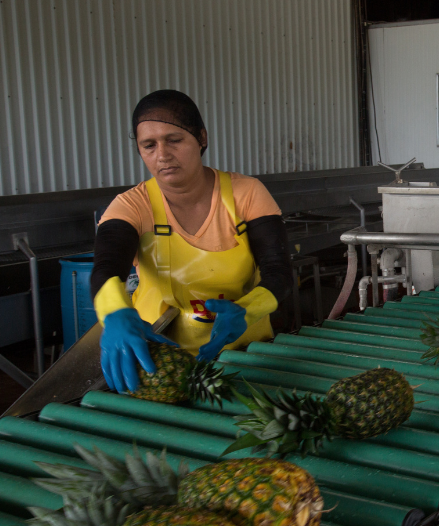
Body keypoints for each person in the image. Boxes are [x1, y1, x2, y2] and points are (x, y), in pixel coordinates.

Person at [91, 90, 292, 393]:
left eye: (174, 140)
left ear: (201, 138)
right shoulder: (132, 206)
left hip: (247, 354)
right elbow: (106, 268)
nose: (162, 155)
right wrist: (116, 314)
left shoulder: (245, 193)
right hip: (159, 363)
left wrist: (247, 310)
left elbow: (279, 271)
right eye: (149, 145)